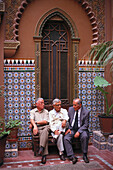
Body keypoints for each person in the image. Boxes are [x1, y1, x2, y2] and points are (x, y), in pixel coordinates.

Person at [64, 98, 90, 164]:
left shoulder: (86, 112)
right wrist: (69, 128)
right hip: (72, 129)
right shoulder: (70, 109)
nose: (73, 107)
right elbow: (68, 120)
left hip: (82, 129)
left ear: (80, 105)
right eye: (73, 105)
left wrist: (79, 131)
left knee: (85, 136)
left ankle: (84, 154)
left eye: (75, 105)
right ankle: (72, 156)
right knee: (66, 138)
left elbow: (86, 125)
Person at [30, 98, 50, 164]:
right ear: (36, 104)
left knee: (45, 130)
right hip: (37, 129)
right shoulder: (32, 111)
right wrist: (35, 126)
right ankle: (43, 153)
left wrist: (35, 123)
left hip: (45, 127)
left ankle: (42, 149)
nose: (43, 104)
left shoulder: (46, 111)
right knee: (45, 135)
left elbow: (45, 121)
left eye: (43, 103)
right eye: (41, 103)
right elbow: (31, 119)